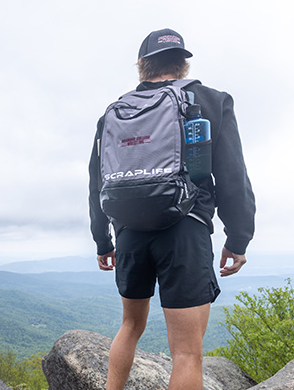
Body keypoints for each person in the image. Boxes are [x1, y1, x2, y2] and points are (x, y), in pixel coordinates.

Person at [88, 28, 255, 390]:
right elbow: (232, 175)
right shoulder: (212, 100)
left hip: (130, 231)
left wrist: (103, 240)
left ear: (142, 66)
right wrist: (238, 237)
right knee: (186, 353)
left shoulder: (116, 112)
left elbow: (96, 180)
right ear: (182, 64)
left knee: (129, 327)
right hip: (185, 228)